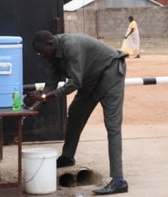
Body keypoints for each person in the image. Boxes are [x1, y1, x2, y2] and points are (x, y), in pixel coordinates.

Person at [27, 30, 128, 195]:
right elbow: (50, 84)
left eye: (42, 52)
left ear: (50, 44)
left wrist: (45, 97)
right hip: (90, 80)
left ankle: (119, 180)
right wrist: (35, 105)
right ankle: (67, 156)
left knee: (112, 126)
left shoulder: (71, 46)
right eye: (39, 54)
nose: (42, 56)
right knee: (75, 113)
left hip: (110, 73)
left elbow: (74, 83)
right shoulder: (52, 56)